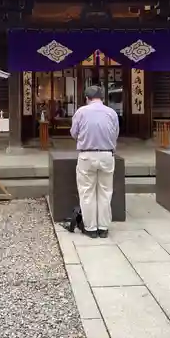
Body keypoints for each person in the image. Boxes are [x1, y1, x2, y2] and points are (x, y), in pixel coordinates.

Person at [70, 85, 119, 239]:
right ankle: (103, 228)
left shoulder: (81, 112)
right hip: (106, 155)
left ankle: (90, 228)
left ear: (87, 98)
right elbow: (115, 133)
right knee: (105, 192)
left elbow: (74, 133)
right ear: (102, 98)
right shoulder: (111, 113)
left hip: (87, 155)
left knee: (86, 192)